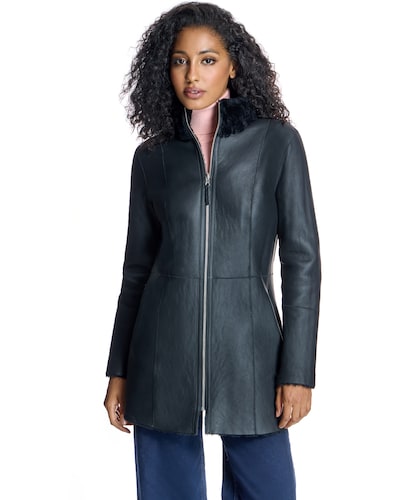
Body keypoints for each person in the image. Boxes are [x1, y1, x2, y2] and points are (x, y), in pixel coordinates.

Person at [104, 2, 321, 499]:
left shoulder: (277, 143)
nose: (192, 74)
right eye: (179, 61)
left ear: (233, 65)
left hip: (251, 354)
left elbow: (302, 261)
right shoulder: (152, 156)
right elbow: (136, 271)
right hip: (161, 356)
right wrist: (119, 369)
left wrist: (298, 370)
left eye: (207, 59)